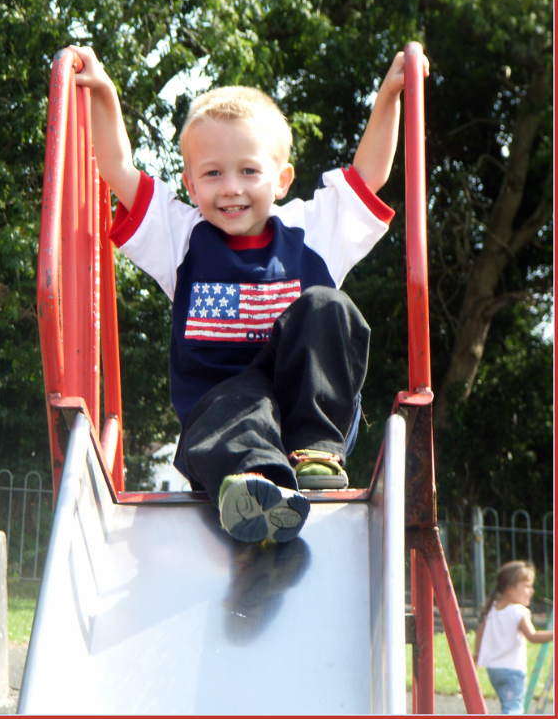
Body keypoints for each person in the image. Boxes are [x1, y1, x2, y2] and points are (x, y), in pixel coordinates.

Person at [71, 44, 428, 544]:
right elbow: (118, 169)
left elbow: (370, 174)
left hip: (306, 413)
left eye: (248, 171)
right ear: (191, 185)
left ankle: (313, 456)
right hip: (222, 418)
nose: (230, 188)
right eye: (212, 173)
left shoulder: (310, 229)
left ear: (281, 180)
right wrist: (105, 93)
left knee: (328, 306)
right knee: (237, 408)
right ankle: (256, 495)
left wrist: (391, 94)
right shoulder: (182, 236)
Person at [474, 560, 553, 714]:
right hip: (512, 672)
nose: (532, 591)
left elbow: (479, 633)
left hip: (494, 670)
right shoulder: (518, 611)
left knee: (508, 705)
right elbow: (533, 636)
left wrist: (477, 653)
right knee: (513, 709)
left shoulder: (493, 609)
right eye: (527, 586)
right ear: (510, 589)